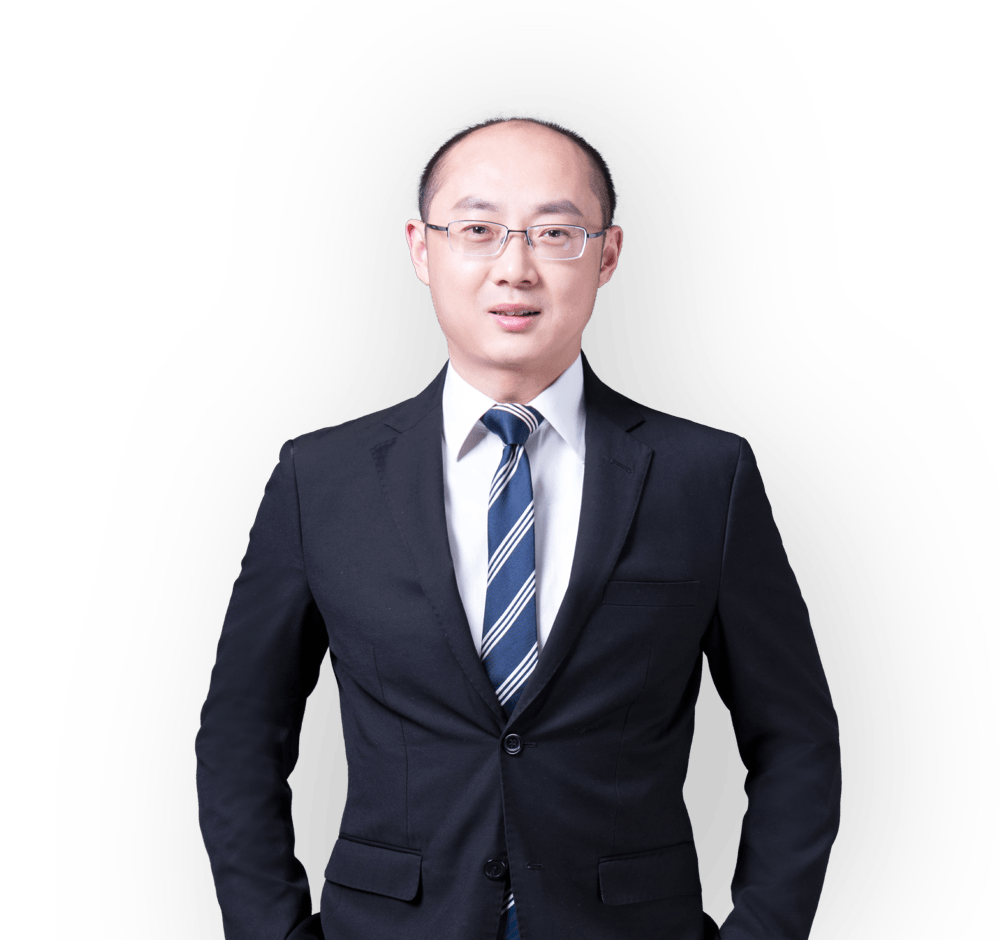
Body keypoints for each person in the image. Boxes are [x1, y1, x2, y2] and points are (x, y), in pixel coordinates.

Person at [194, 112, 842, 940]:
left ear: (607, 255)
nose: (515, 268)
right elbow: (240, 735)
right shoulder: (317, 478)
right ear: (421, 250)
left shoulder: (705, 476)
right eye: (478, 229)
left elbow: (797, 739)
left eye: (554, 233)